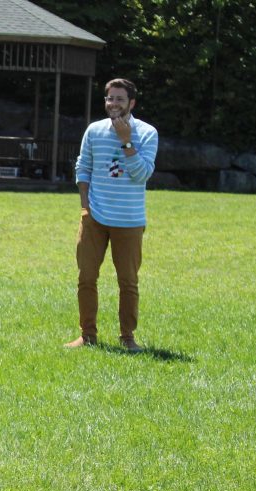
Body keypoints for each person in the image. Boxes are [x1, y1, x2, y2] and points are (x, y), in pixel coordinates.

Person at [65, 77, 159, 352]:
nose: (113, 103)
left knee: (128, 282)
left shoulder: (147, 133)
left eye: (119, 99)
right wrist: (85, 206)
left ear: (132, 103)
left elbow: (142, 173)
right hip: (94, 218)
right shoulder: (94, 131)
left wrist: (127, 142)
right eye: (110, 98)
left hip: (129, 221)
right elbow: (83, 167)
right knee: (86, 277)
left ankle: (127, 338)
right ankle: (88, 335)